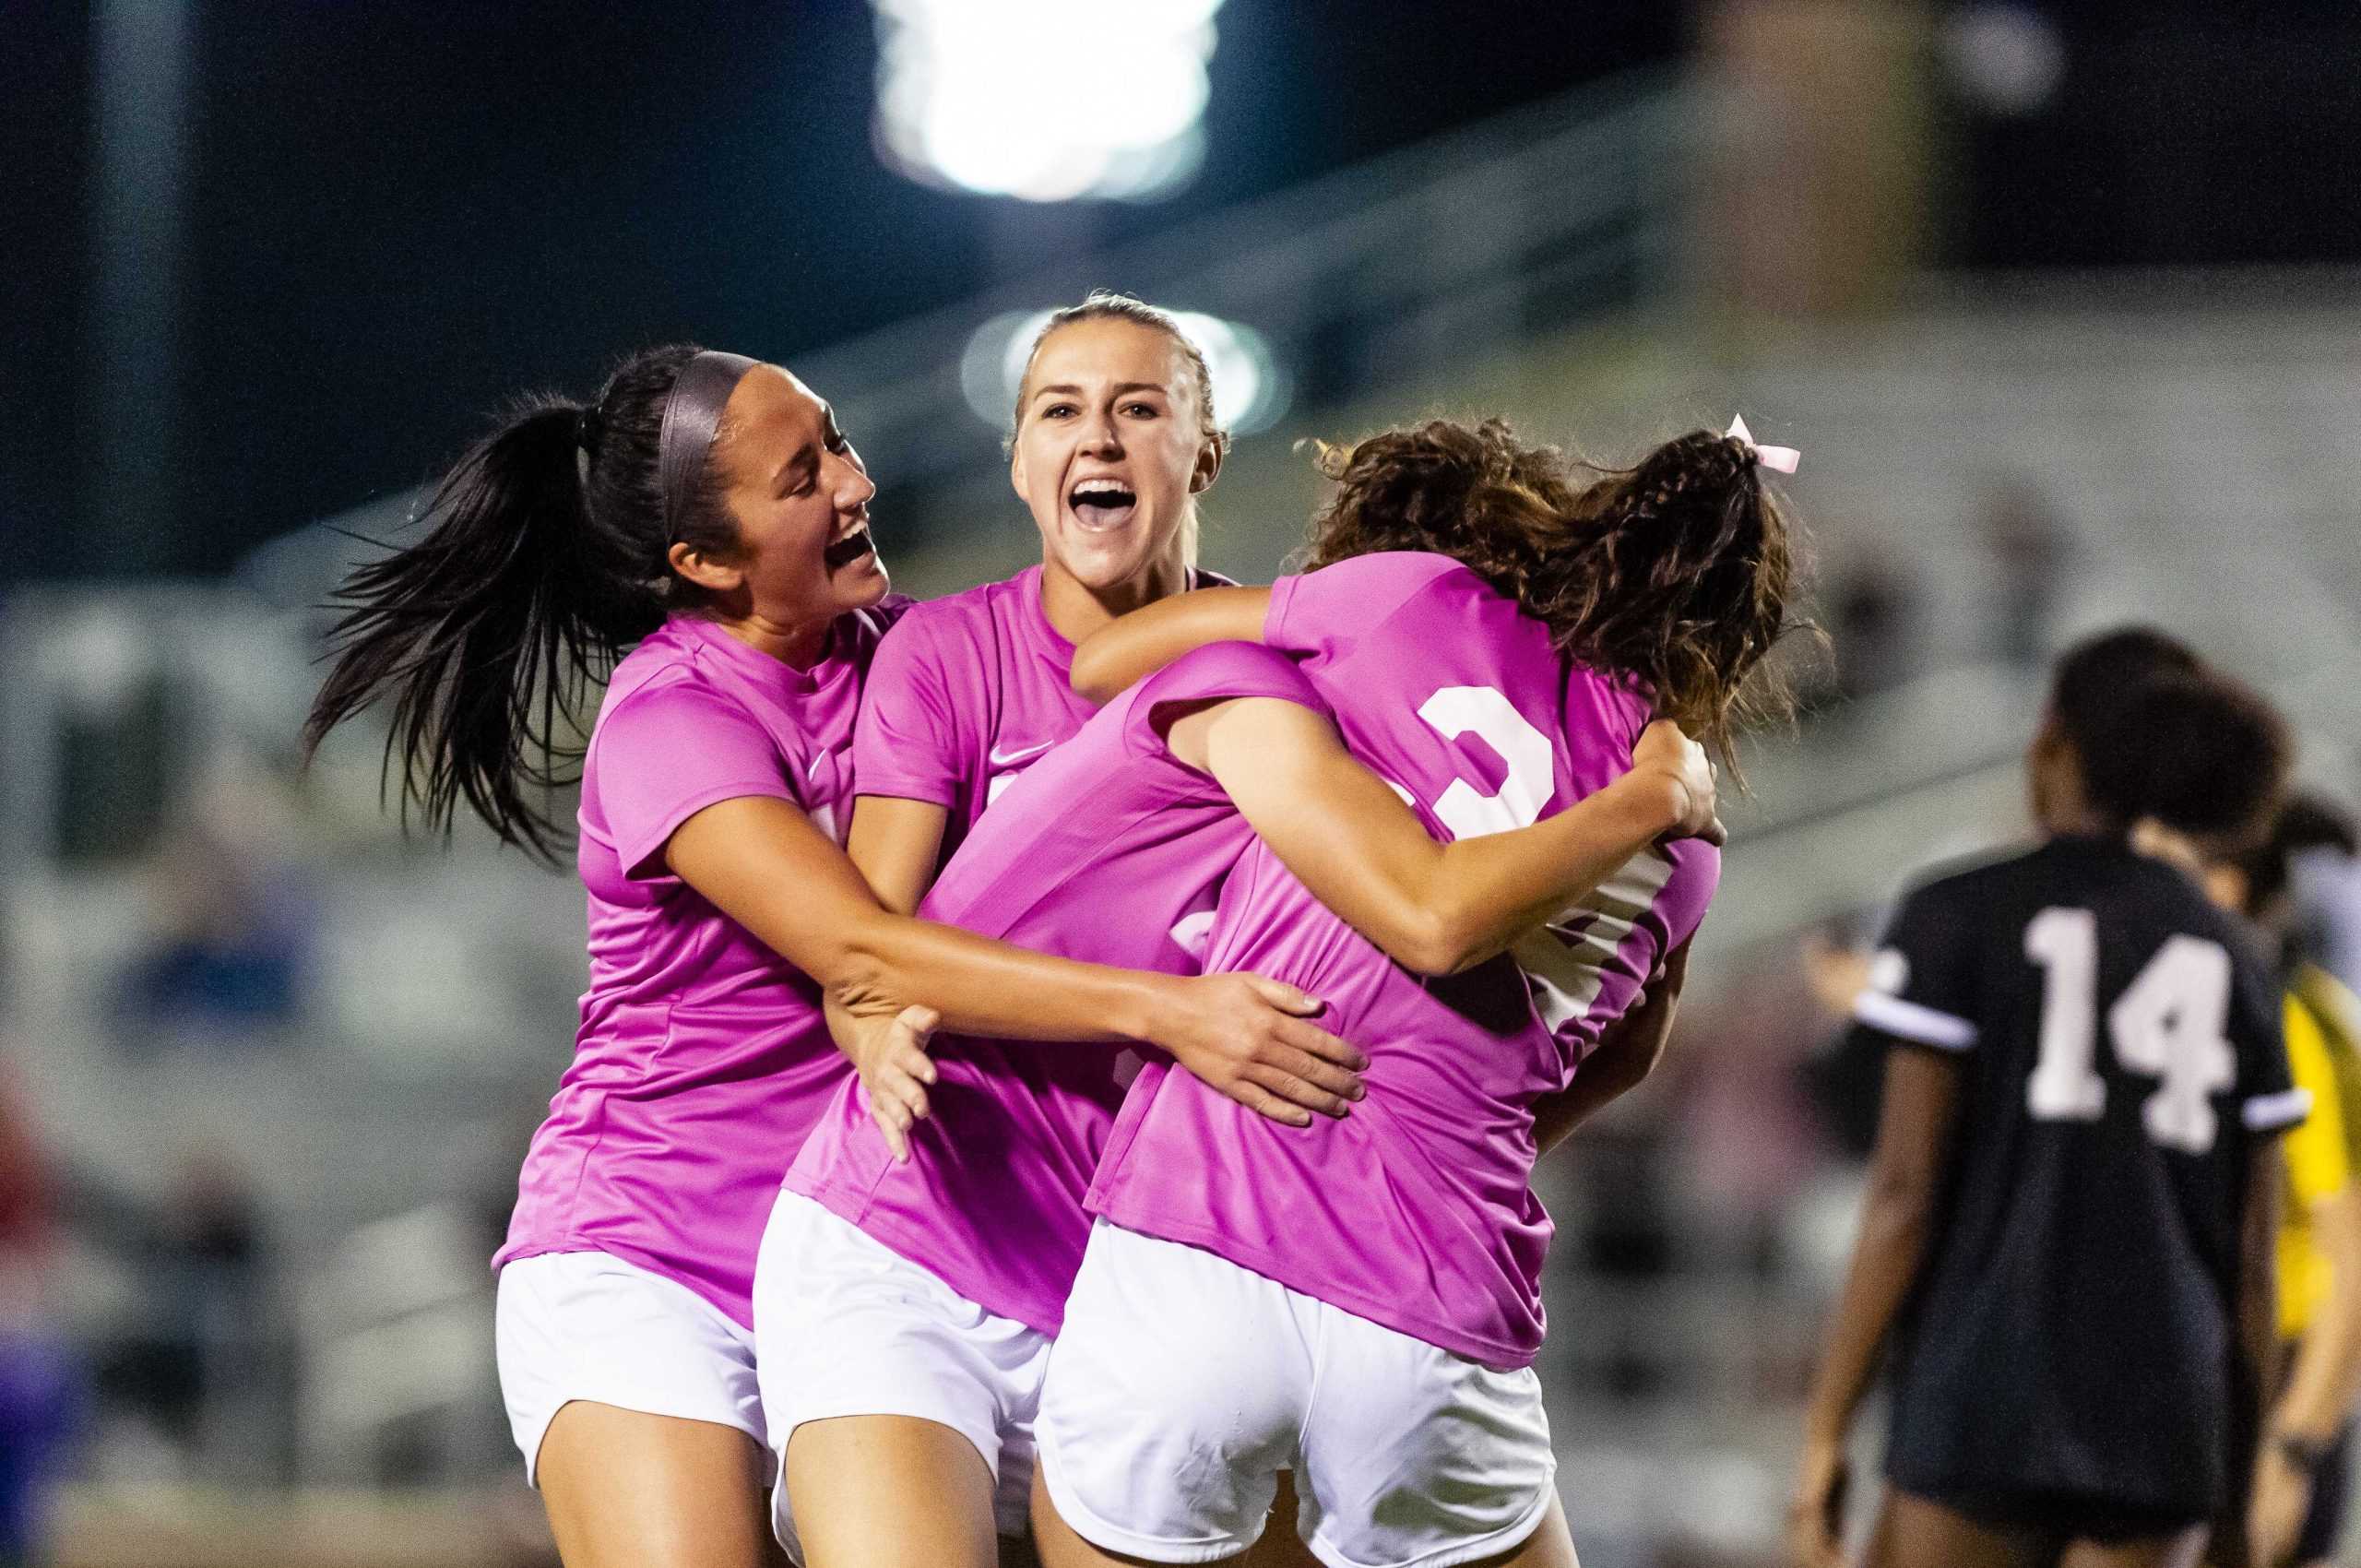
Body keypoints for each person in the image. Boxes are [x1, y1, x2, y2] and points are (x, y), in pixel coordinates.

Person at [301, 345, 1365, 1568]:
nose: (855, 483)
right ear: (704, 561)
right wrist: (1171, 1013)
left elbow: (1109, 650)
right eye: (801, 477)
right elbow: (861, 948)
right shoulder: (675, 719)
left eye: (839, 441)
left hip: (888, 1244)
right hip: (660, 1257)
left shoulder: (915, 652)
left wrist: (1323, 617)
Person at [762, 415, 1753, 1568]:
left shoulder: (1376, 754)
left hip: (1154, 1257)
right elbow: (869, 956)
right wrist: (1166, 1010)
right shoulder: (1254, 706)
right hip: (934, 1224)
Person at [1792, 646, 2299, 1568]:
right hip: (2164, 1416)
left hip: (1983, 1385)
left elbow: (1904, 1195)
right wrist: (2234, 1480)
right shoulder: (2235, 957)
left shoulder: (1957, 912)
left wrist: (1827, 1429)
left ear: (2057, 746)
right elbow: (2250, 1263)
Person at [2208, 794, 2361, 1568]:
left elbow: (2351, 1259)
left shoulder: (2288, 1026)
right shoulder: (2317, 1009)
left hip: (2282, 1372)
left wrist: (2291, 1448)